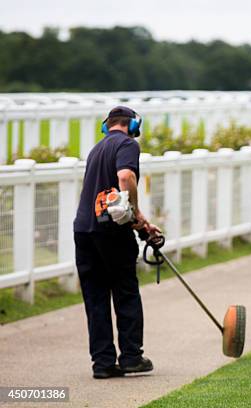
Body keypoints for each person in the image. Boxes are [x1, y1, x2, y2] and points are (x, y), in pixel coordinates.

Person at [73, 106, 160, 379]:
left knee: (96, 297)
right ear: (133, 126)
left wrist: (142, 221)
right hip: (110, 230)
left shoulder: (96, 149)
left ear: (106, 126)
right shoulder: (127, 144)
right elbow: (125, 178)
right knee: (125, 291)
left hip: (84, 230)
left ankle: (103, 364)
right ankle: (132, 357)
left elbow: (111, 194)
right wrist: (133, 212)